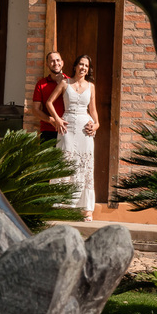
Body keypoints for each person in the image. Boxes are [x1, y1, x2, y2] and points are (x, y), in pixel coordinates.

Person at [46, 54, 100, 221]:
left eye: (86, 65)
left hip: (85, 128)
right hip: (67, 126)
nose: (83, 68)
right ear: (75, 66)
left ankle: (86, 210)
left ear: (88, 69)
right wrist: (57, 118)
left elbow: (93, 110)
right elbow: (49, 102)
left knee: (84, 164)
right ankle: (61, 205)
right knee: (65, 161)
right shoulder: (65, 83)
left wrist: (97, 124)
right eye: (81, 64)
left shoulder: (91, 86)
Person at [32, 51, 67, 142]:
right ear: (47, 64)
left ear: (62, 63)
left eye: (58, 60)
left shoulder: (71, 82)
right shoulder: (41, 84)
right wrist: (51, 120)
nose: (55, 63)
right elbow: (35, 110)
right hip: (48, 130)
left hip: (68, 129)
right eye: (52, 61)